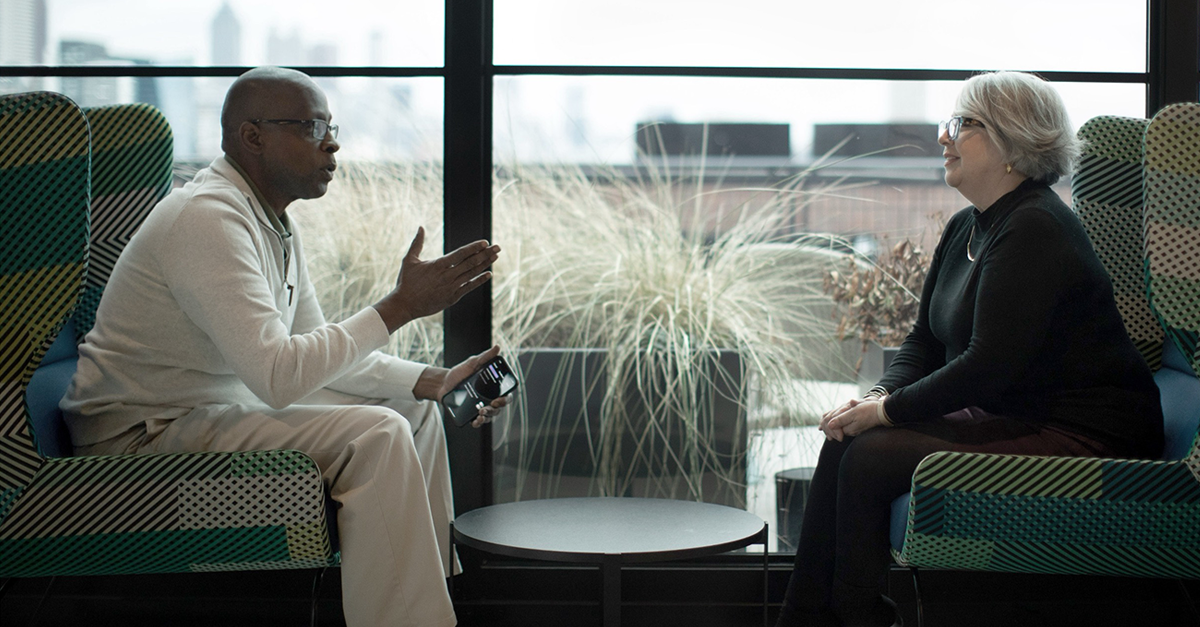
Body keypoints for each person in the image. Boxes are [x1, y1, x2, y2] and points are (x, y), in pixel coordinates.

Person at [62, 66, 503, 627]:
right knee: (378, 430)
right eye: (313, 126)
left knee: (411, 412)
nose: (333, 142)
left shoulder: (271, 222)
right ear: (253, 137)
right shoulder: (206, 219)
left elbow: (313, 353)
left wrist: (431, 381)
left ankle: (427, 599)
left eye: (330, 125)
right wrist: (398, 307)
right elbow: (279, 377)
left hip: (209, 408)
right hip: (138, 433)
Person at [775, 71, 1165, 627]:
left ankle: (856, 617)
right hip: (1020, 412)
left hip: (1086, 433)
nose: (943, 136)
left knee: (869, 453)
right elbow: (925, 340)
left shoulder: (1036, 226)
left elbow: (987, 368)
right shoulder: (968, 226)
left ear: (1012, 140)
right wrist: (880, 394)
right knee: (845, 442)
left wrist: (884, 414)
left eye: (962, 124)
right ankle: (806, 618)